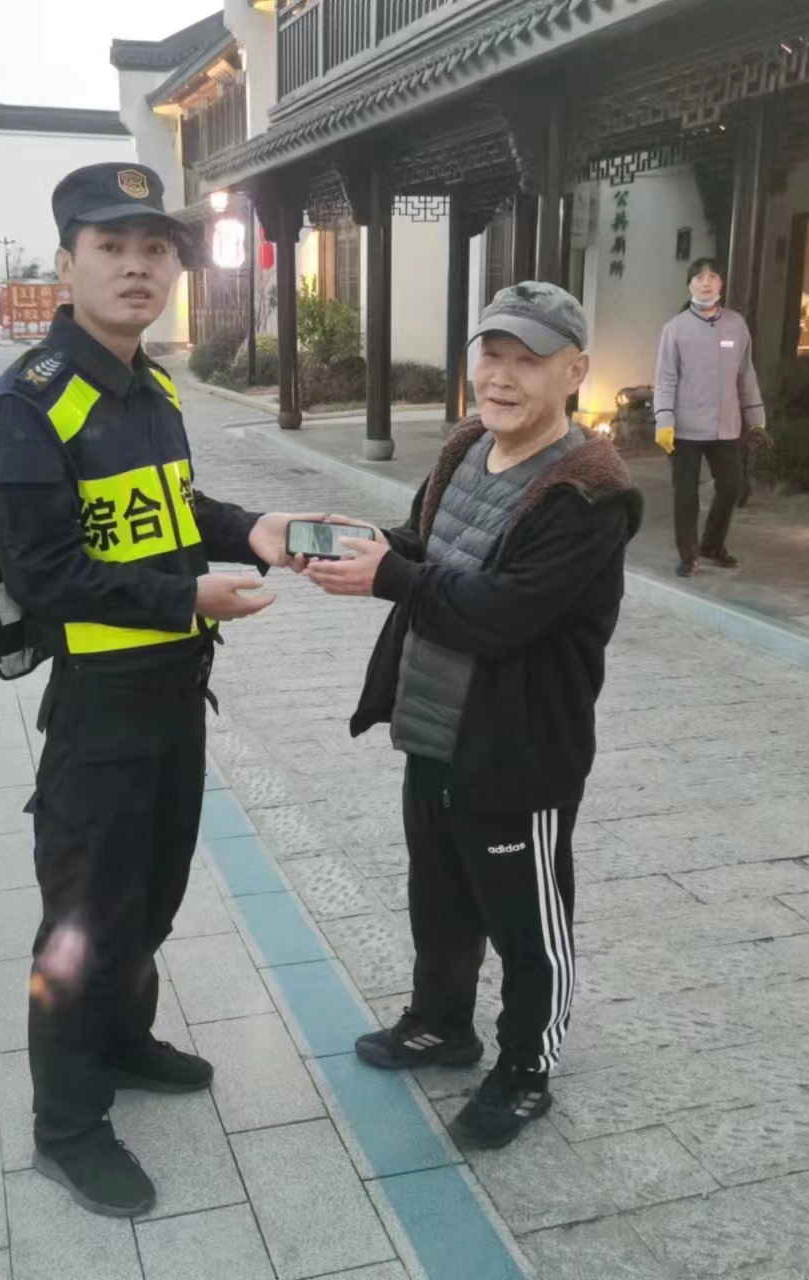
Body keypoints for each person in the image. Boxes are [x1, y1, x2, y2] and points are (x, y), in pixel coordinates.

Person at [0, 162, 319, 1218]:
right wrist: (186, 595)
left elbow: (174, 507)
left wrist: (249, 528)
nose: (136, 267)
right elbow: (46, 578)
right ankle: (66, 1125)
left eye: (155, 248)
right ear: (64, 265)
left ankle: (120, 1040)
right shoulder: (27, 407)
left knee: (151, 893)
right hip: (101, 708)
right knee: (81, 920)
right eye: (110, 247)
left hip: (173, 693)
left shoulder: (150, 387)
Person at [305, 282, 642, 1150]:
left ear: (574, 372)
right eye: (491, 354)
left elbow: (504, 612)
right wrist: (365, 549)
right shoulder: (465, 447)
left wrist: (391, 577)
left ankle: (526, 1070)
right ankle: (441, 1023)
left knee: (528, 924)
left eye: (528, 360)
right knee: (441, 896)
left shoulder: (588, 494)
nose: (501, 377)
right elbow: (426, 544)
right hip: (433, 730)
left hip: (516, 753)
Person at [652, 258, 766, 577]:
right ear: (689, 285)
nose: (705, 282)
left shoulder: (736, 325)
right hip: (684, 428)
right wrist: (664, 421)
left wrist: (756, 419)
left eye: (712, 276)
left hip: (725, 426)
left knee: (732, 486)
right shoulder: (675, 329)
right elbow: (665, 379)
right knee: (685, 494)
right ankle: (688, 555)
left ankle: (712, 544)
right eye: (699, 277)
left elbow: (746, 376)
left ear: (721, 284)